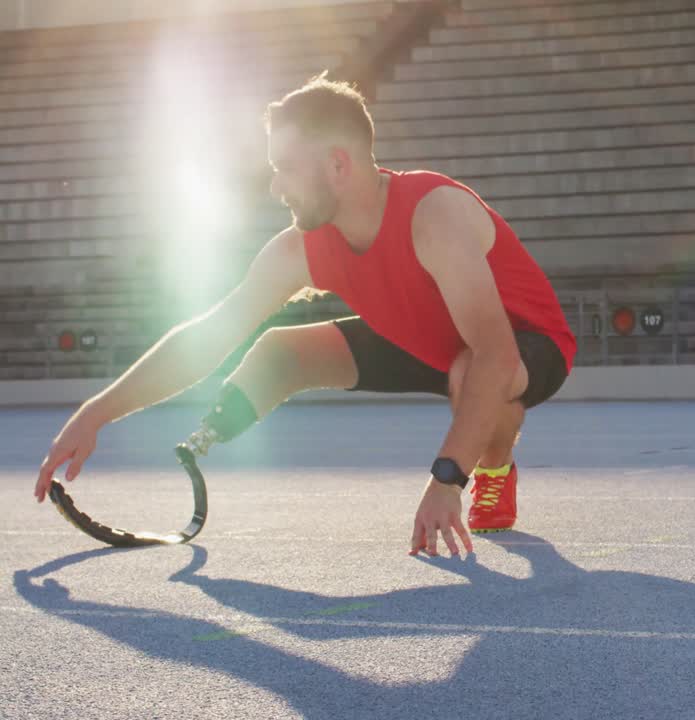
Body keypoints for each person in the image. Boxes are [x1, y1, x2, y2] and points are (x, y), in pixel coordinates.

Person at [34, 75, 577, 557]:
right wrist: (96, 412)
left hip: (526, 343)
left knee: (471, 370)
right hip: (428, 339)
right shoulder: (302, 248)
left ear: (338, 165)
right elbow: (209, 334)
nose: (275, 187)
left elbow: (495, 352)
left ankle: (494, 467)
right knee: (280, 351)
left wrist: (446, 479)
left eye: (284, 169)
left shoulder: (434, 214)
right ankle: (209, 435)